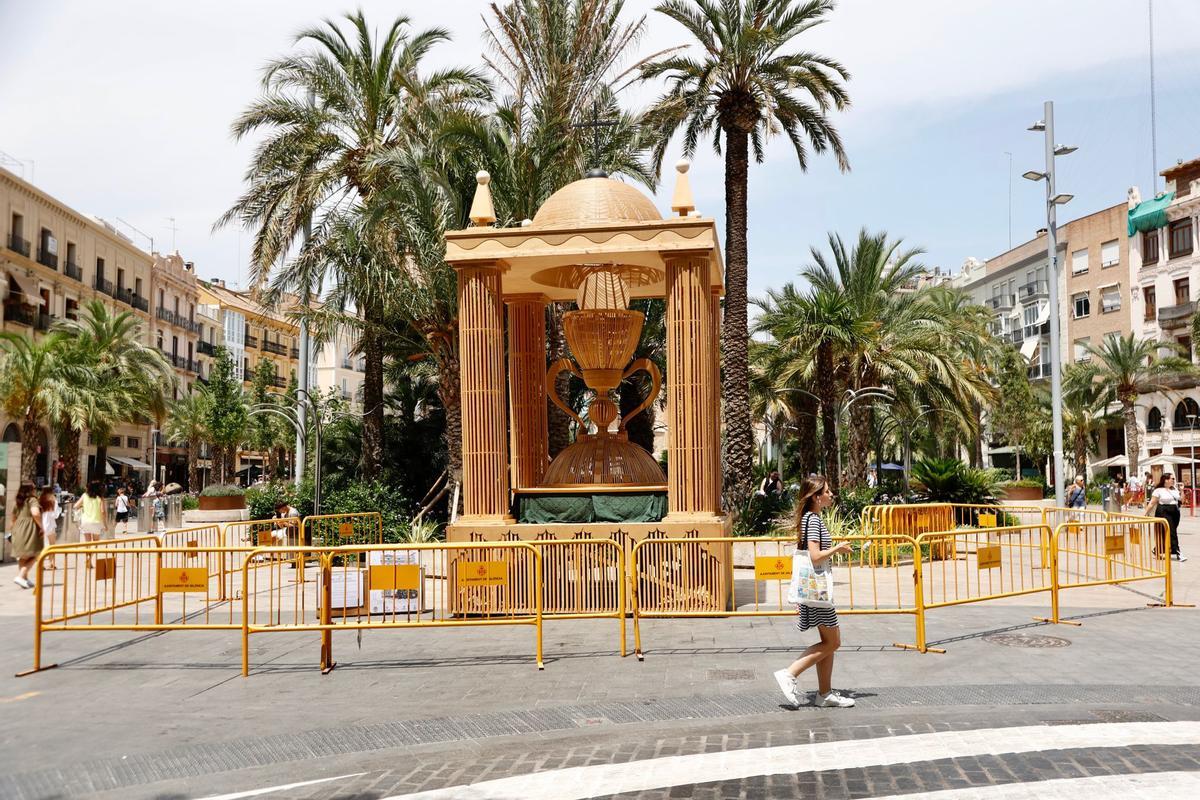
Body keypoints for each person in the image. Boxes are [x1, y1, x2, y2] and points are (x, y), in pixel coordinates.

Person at [773, 475, 856, 708]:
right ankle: (789, 674)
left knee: (827, 640)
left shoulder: (812, 519)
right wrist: (838, 547)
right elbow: (815, 555)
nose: (831, 495)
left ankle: (824, 693)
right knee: (833, 641)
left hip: (815, 592)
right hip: (817, 594)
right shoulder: (813, 521)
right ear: (817, 497)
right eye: (827, 492)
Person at [1145, 472, 1187, 562]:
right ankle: (1178, 553)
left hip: (1175, 512)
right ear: (1166, 480)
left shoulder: (1174, 489)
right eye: (1172, 479)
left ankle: (1157, 549)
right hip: (1164, 511)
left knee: (1170, 532)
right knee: (1172, 532)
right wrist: (1146, 513)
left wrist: (1182, 490)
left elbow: (1182, 500)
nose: (1174, 480)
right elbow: (1152, 503)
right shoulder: (1158, 490)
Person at [10, 483, 44, 589]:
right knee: (38, 553)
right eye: (34, 488)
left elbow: (13, 517)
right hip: (30, 530)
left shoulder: (18, 501)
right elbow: (35, 514)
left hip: (18, 529)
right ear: (30, 490)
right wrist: (41, 526)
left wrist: (13, 530)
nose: (35, 490)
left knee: (23, 556)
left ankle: (24, 579)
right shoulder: (32, 500)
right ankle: (20, 576)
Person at [38, 486, 59, 570]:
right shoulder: (53, 500)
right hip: (50, 525)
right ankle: (51, 563)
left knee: (42, 546)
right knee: (52, 546)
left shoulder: (39, 500)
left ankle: (41, 564)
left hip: (41, 525)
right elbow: (55, 515)